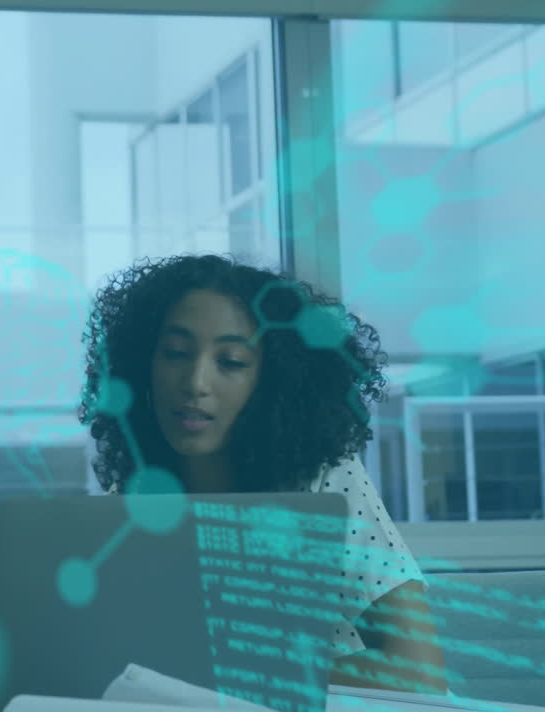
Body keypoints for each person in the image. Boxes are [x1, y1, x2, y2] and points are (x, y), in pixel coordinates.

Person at [77, 254, 448, 695]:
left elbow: (418, 671)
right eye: (175, 353)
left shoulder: (323, 480)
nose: (195, 382)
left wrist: (225, 678)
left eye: (231, 361)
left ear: (271, 382)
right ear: (142, 366)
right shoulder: (134, 499)